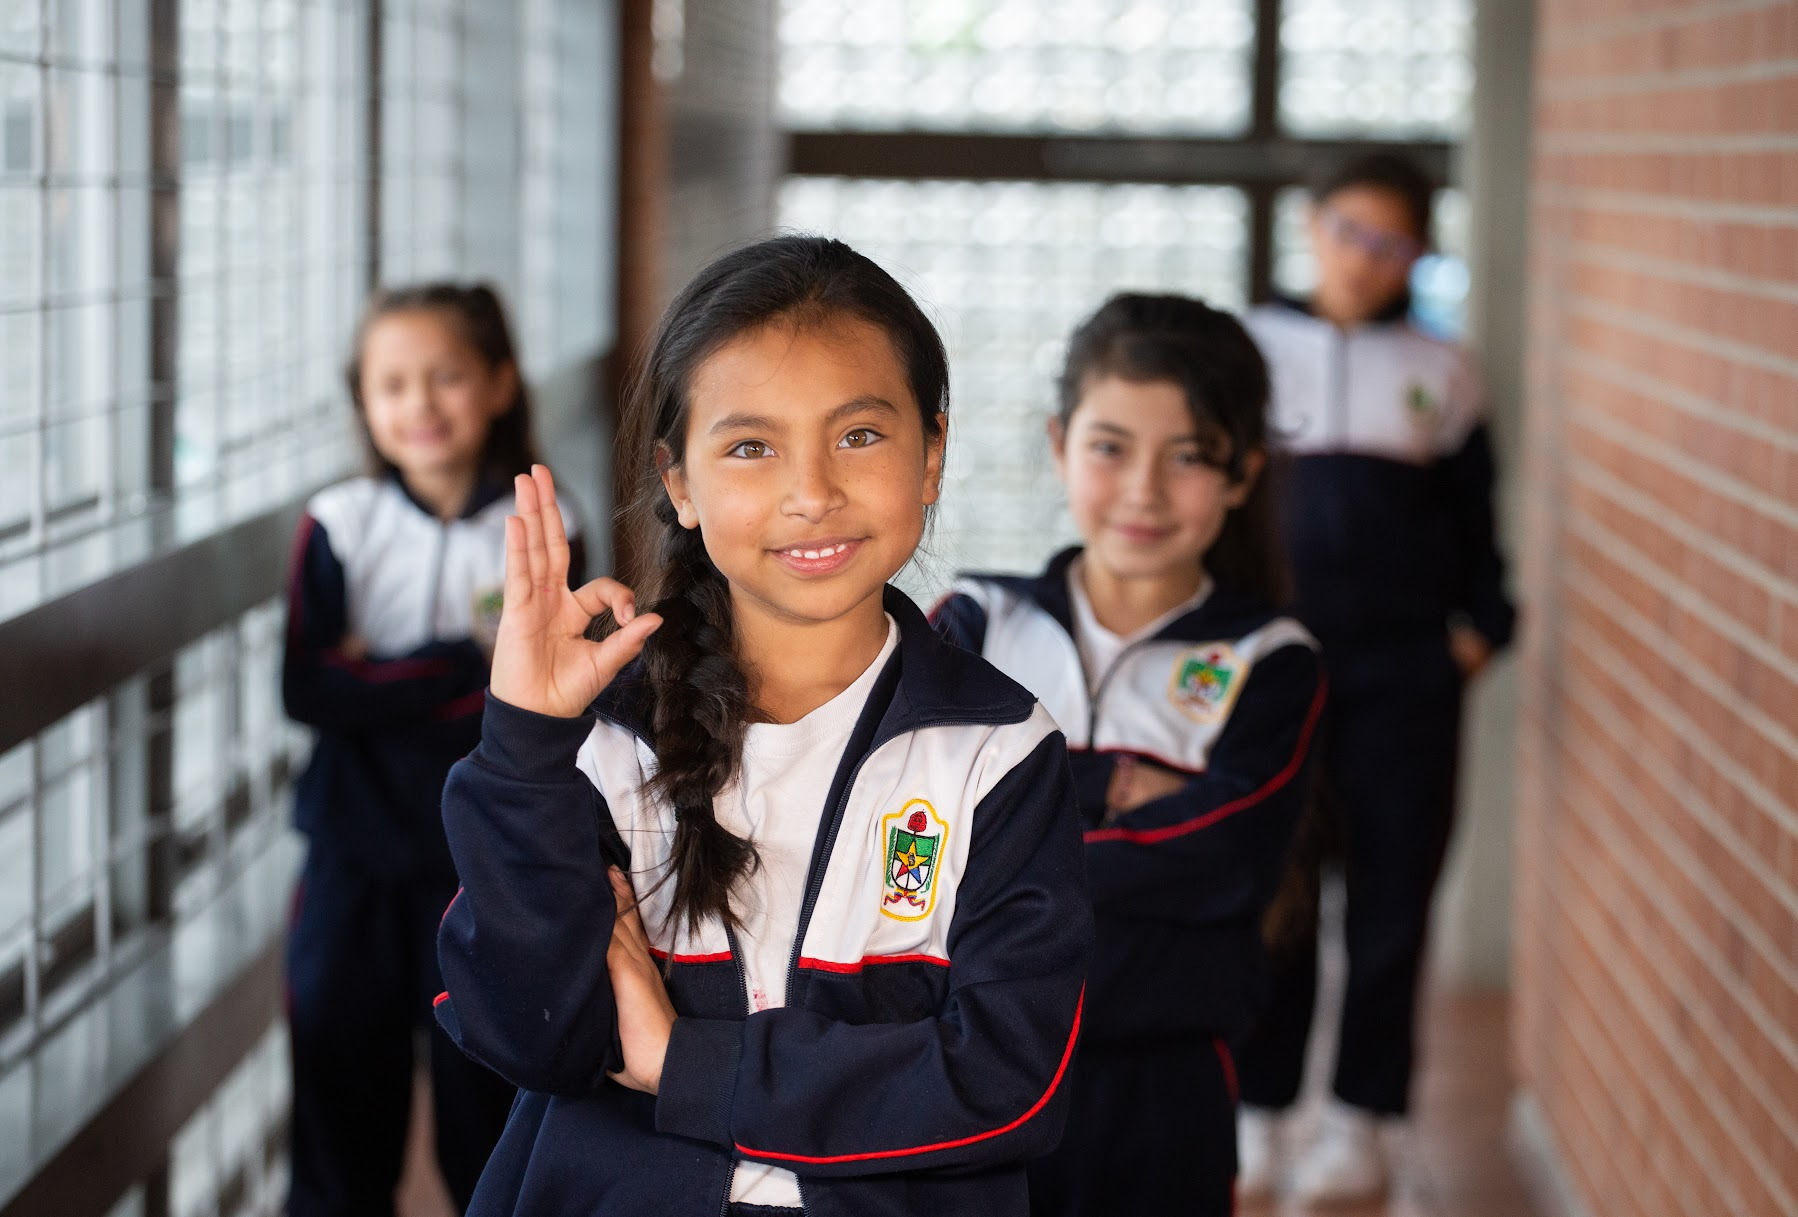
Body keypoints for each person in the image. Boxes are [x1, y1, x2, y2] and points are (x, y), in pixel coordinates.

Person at [433, 235, 1092, 1217]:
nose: (811, 490)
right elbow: (529, 1035)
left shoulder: (996, 751)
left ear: (932, 454)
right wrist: (522, 743)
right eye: (751, 445)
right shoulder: (602, 743)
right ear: (680, 482)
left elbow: (1007, 1085)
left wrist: (681, 1061)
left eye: (859, 434)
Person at [933, 293, 1325, 1217]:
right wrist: (1112, 784)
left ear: (1243, 474)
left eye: (1189, 456)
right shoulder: (976, 623)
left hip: (1166, 1089)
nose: (1145, 489)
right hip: (963, 1065)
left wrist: (1008, 829)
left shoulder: (1271, 658)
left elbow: (1229, 861)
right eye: (1111, 446)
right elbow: (907, 822)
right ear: (1059, 442)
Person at [1233, 152, 1516, 1203]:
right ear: (1312, 228)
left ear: (1416, 254)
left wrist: (1474, 638)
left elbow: (1480, 537)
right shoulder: (1248, 350)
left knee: (1393, 900)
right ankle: (1260, 1117)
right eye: (1350, 232)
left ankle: (1363, 1124)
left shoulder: (1443, 370)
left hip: (1404, 679)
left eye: (1391, 243)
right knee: (1279, 893)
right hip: (1278, 672)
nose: (1365, 259)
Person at [283, 283, 584, 1216]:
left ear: (498, 384)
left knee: (484, 1106)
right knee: (338, 1088)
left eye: (446, 376)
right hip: (352, 857)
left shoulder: (546, 523)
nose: (419, 404)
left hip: (482, 865)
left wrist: (383, 676)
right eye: (393, 383)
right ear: (364, 400)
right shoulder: (338, 524)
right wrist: (463, 666)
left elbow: (554, 692)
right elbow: (306, 687)